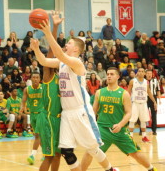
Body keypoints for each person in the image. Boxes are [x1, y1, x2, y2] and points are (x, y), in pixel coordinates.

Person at [31, 20, 118, 171]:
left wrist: (47, 32)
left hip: (80, 111)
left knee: (93, 149)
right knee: (66, 151)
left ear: (76, 49)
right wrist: (36, 49)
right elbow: (43, 61)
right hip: (66, 113)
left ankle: (110, 169)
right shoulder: (61, 62)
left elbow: (59, 53)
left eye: (69, 43)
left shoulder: (77, 63)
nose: (66, 44)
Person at [81, 67, 157, 171]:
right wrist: (89, 126)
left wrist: (120, 124)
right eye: (107, 74)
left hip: (120, 130)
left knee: (134, 152)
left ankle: (151, 169)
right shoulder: (99, 92)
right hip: (102, 129)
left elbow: (129, 113)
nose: (108, 76)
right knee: (90, 151)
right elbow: (93, 112)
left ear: (117, 76)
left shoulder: (124, 94)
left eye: (112, 74)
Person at [32, 11, 62, 171]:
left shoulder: (63, 76)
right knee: (50, 156)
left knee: (57, 155)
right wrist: (54, 28)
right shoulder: (49, 75)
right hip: (48, 119)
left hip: (59, 120)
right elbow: (52, 51)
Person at [128, 68, 157, 142]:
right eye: (139, 71)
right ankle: (130, 137)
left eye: (142, 71)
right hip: (135, 103)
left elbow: (149, 92)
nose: (140, 73)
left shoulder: (146, 82)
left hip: (143, 103)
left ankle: (144, 137)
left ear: (144, 73)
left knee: (143, 120)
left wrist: (154, 101)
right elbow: (128, 92)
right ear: (137, 73)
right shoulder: (132, 81)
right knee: (132, 120)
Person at [20, 72, 43, 165]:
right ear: (31, 79)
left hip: (42, 114)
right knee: (38, 136)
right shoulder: (27, 89)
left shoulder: (44, 88)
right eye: (34, 77)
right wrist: (22, 107)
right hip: (32, 114)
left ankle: (32, 155)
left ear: (40, 79)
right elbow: (23, 101)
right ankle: (46, 153)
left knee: (37, 135)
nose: (35, 79)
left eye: (37, 77)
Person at [146, 70, 161, 135]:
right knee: (142, 114)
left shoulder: (155, 81)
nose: (149, 74)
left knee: (154, 114)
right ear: (145, 74)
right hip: (145, 98)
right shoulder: (143, 81)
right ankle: (142, 130)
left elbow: (158, 90)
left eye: (150, 73)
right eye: (148, 73)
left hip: (153, 98)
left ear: (152, 74)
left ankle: (154, 130)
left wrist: (159, 99)